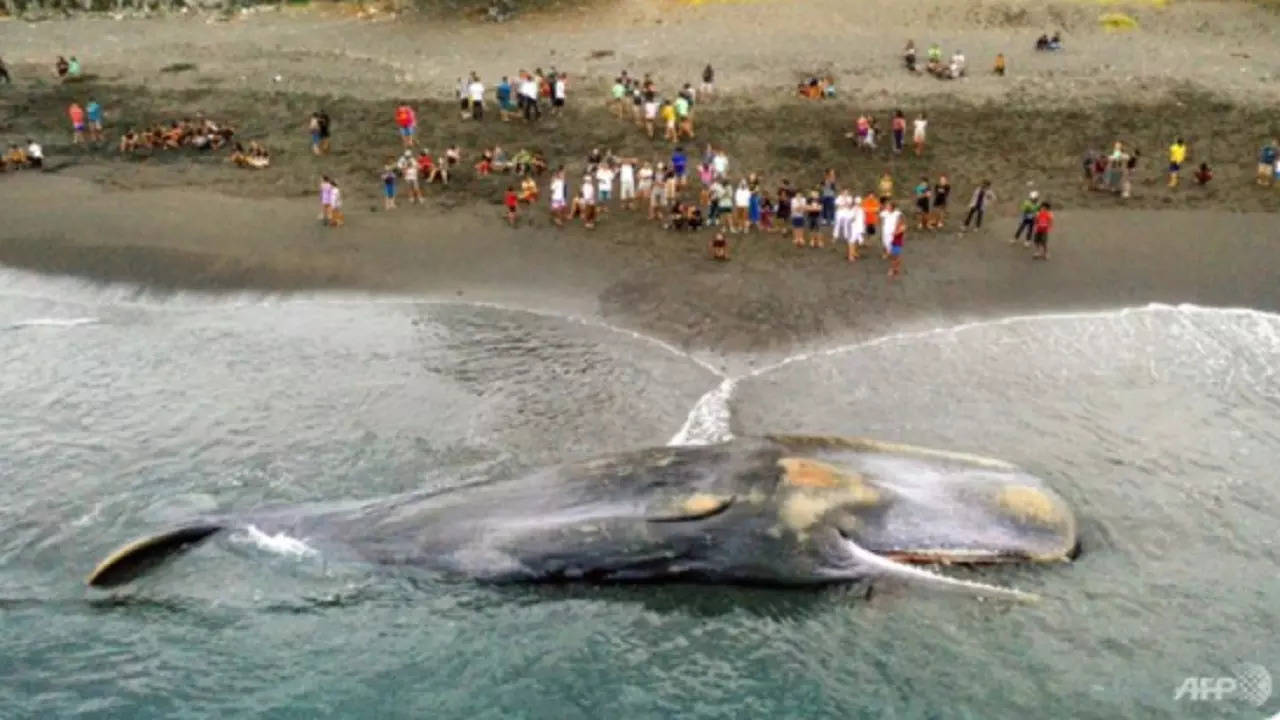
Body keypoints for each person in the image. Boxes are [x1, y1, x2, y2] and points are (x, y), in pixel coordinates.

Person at [882, 200, 904, 277]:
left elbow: (896, 233)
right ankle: (896, 268)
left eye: (898, 220)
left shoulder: (901, 226)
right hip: (894, 242)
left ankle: (892, 269)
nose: (897, 221)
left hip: (896, 243)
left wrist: (894, 231)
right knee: (895, 256)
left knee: (894, 257)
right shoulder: (897, 224)